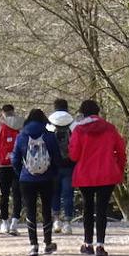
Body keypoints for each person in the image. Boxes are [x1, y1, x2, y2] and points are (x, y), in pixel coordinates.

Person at [68, 99, 126, 256]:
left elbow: (73, 155)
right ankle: (100, 244)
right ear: (98, 112)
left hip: (85, 175)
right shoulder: (110, 128)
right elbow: (121, 151)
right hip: (107, 174)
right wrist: (119, 170)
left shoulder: (78, 130)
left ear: (82, 113)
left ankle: (88, 243)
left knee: (88, 208)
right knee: (102, 209)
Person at [11, 108, 62, 256]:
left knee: (30, 211)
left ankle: (33, 245)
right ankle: (48, 243)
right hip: (46, 178)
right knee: (46, 210)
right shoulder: (49, 136)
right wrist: (53, 172)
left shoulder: (21, 136)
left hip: (27, 179)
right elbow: (56, 157)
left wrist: (21, 172)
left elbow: (15, 159)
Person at [0, 104, 23, 235]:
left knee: (4, 195)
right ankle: (15, 222)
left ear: (3, 113)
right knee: (18, 194)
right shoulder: (21, 126)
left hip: (3, 165)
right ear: (13, 112)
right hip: (18, 165)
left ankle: (4, 222)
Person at [48, 98, 76, 234]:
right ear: (67, 108)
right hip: (69, 165)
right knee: (68, 194)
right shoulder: (73, 123)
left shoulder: (49, 123)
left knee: (54, 193)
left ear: (55, 108)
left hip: (53, 165)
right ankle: (68, 222)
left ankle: (56, 220)